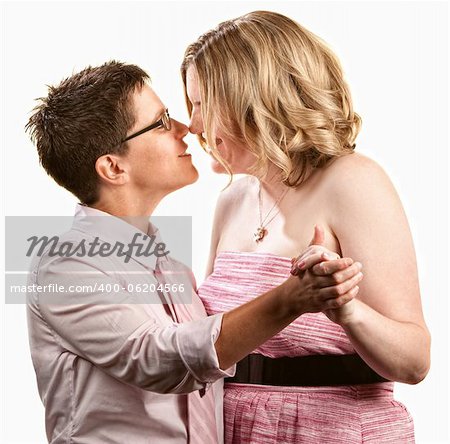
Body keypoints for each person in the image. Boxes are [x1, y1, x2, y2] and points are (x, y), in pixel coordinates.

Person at [25, 61, 362, 444]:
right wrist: (290, 298)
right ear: (113, 167)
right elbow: (159, 360)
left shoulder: (171, 269)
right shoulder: (66, 266)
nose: (187, 129)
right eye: (162, 122)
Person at [182, 10, 431, 443]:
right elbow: (217, 343)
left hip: (332, 432)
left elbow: (414, 361)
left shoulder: (352, 180)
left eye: (203, 105)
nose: (195, 125)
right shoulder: (233, 199)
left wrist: (346, 309)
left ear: (255, 98)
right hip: (233, 429)